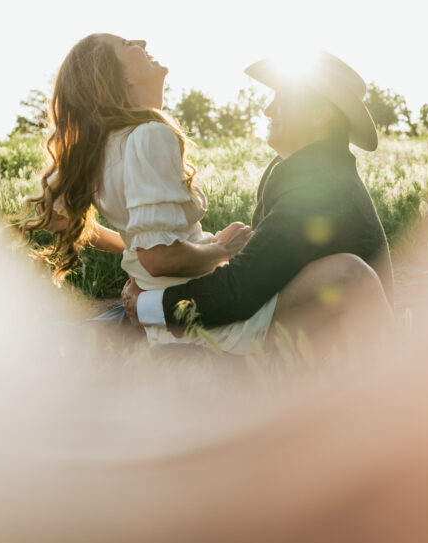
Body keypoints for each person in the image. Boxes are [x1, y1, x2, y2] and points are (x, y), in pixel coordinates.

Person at [122, 50, 394, 345]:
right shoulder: (304, 167)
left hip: (328, 348)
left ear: (320, 114)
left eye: (283, 97)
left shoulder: (319, 183)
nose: (268, 109)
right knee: (115, 321)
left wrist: (146, 306)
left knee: (120, 325)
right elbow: (260, 269)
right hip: (301, 327)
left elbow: (243, 288)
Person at [23, 33, 269, 352]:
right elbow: (161, 258)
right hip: (198, 317)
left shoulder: (94, 147)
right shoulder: (150, 135)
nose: (141, 41)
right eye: (127, 44)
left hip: (165, 307)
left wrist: (139, 243)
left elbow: (59, 219)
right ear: (116, 75)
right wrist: (223, 249)